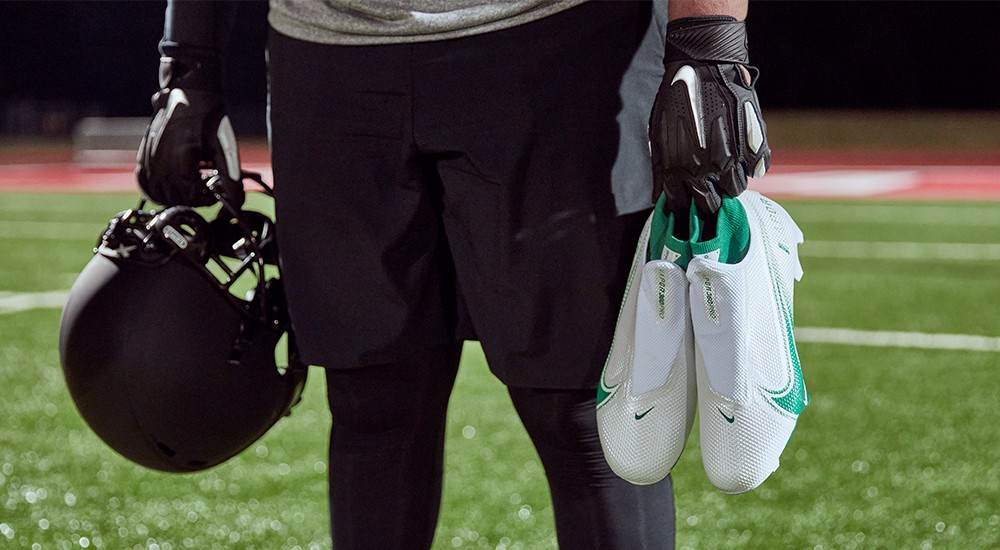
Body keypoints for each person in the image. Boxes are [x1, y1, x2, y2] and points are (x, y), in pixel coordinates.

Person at [136, 0, 769, 548]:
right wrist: (188, 64)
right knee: (372, 401)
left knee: (591, 411)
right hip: (325, 55)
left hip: (560, 42)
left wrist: (710, 38)